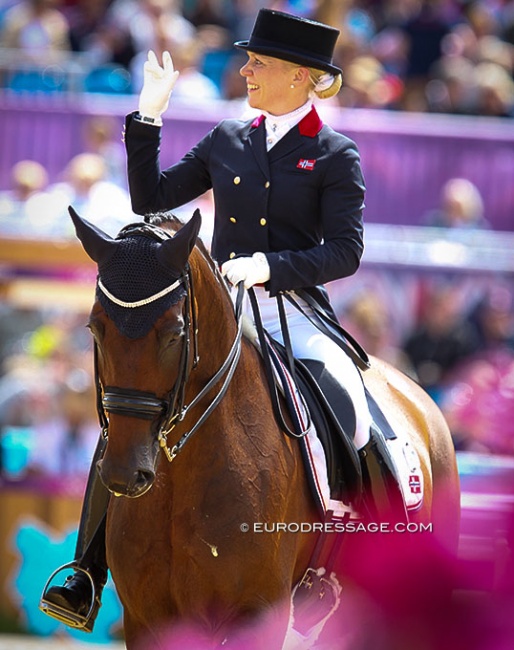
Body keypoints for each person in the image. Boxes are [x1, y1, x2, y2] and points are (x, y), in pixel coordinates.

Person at [40, 8, 377, 632]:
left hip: (295, 310)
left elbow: (345, 251)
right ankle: (86, 569)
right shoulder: (228, 140)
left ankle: (341, 566)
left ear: (302, 78)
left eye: (260, 63)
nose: (244, 69)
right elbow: (150, 198)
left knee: (348, 405)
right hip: (218, 309)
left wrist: (270, 266)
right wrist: (147, 117)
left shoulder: (334, 153)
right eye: (248, 60)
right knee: (134, 403)